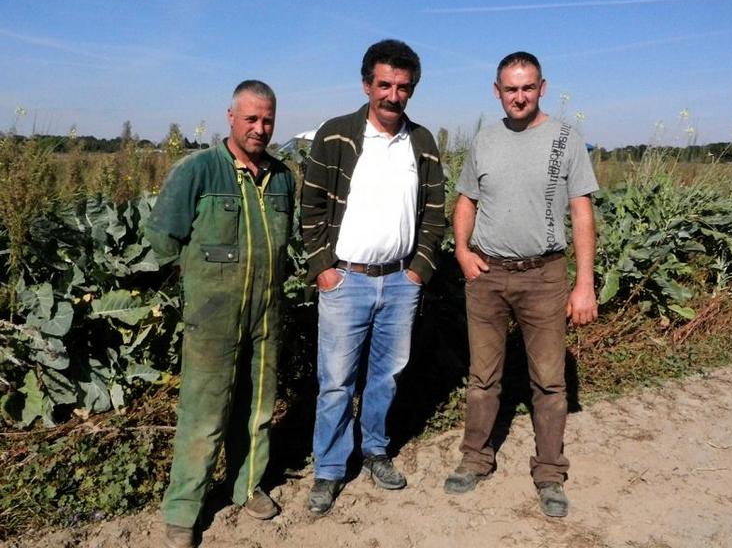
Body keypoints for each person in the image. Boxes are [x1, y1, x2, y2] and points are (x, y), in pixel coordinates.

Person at [443, 51, 598, 518]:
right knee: (483, 378)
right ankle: (475, 459)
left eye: (527, 87)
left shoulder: (566, 138)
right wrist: (462, 251)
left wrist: (583, 283)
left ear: (542, 88)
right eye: (510, 89)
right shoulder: (484, 142)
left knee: (549, 382)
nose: (519, 96)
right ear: (497, 92)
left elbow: (581, 212)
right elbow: (466, 201)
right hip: (488, 276)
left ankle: (549, 472)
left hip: (544, 275)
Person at [145, 80, 295, 548]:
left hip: (266, 312)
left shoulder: (282, 177)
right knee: (203, 411)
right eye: (251, 118)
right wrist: (204, 285)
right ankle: (183, 510)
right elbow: (163, 238)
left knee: (258, 408)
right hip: (212, 314)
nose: (260, 128)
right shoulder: (199, 171)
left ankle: (248, 487)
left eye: (267, 119)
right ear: (230, 117)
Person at [301, 39, 445, 516]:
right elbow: (312, 207)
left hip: (400, 281)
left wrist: (419, 272)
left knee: (385, 378)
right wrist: (323, 268)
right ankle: (329, 469)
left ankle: (376, 450)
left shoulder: (421, 142)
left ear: (412, 90)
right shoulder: (337, 135)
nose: (393, 95)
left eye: (403, 87)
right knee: (337, 381)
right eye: (384, 84)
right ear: (367, 85)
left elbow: (434, 214)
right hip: (347, 280)